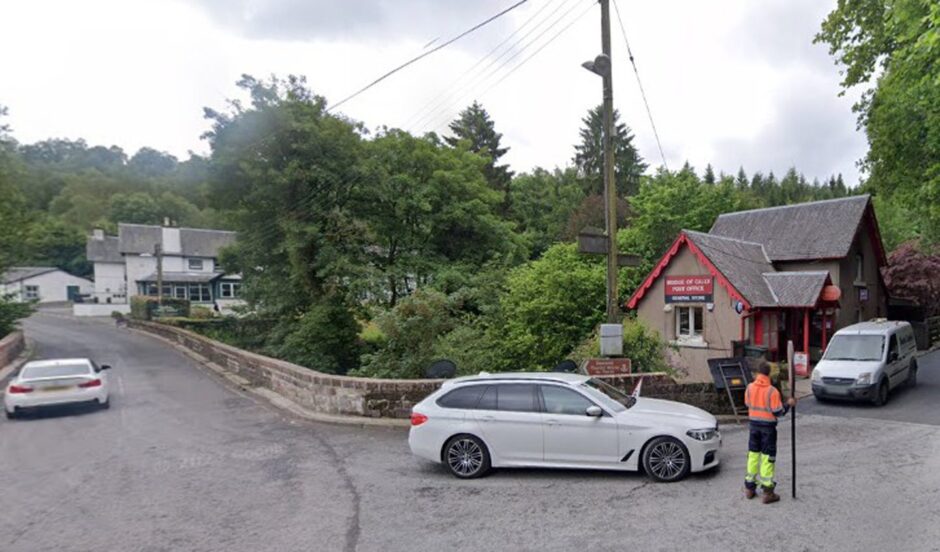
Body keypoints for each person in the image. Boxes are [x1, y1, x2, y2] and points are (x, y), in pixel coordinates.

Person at [743, 361, 797, 504]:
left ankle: (749, 488)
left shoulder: (749, 388)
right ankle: (768, 492)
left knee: (753, 456)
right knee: (767, 459)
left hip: (753, 427)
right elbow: (778, 412)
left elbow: (748, 404)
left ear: (757, 373)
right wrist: (789, 404)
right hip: (768, 429)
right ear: (769, 374)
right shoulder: (772, 391)